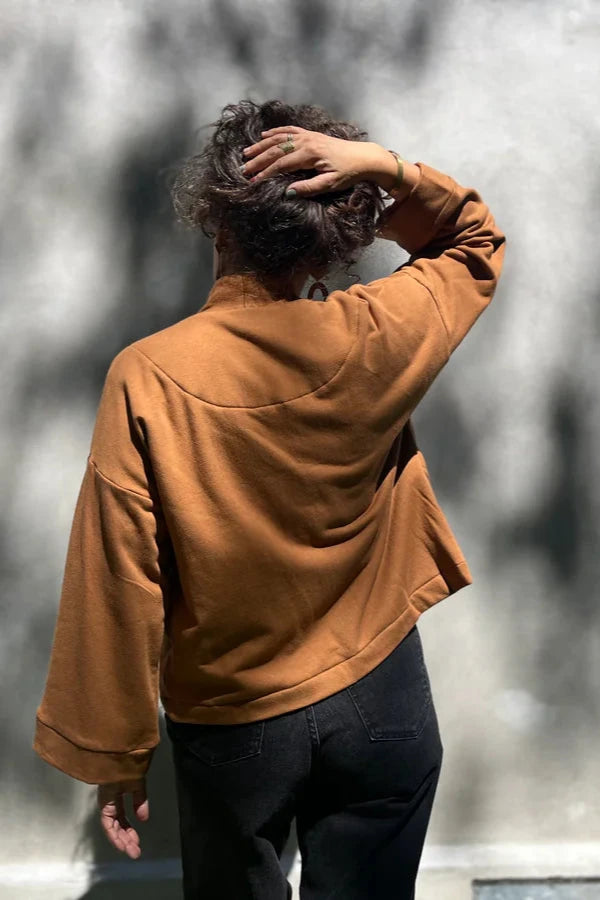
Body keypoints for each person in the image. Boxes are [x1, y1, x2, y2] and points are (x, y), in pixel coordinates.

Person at [33, 98, 506, 899]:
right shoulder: (376, 332)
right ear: (338, 238)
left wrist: (116, 752)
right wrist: (387, 170)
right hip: (384, 695)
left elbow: (119, 573)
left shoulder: (150, 374)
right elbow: (473, 240)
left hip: (237, 719)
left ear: (218, 219)